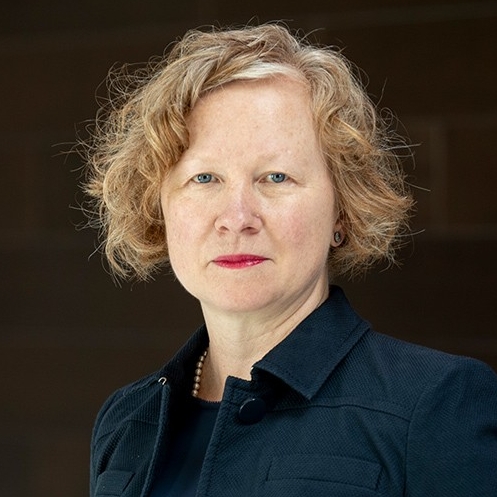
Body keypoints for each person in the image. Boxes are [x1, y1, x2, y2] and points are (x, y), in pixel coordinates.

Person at [80, 24, 497, 497]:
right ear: (158, 206)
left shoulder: (434, 405)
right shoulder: (127, 420)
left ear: (343, 208)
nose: (237, 218)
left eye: (276, 177)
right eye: (204, 178)